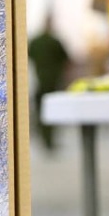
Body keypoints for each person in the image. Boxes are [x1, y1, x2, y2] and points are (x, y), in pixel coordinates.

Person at [28, 17, 71, 150]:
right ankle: (49, 140)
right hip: (53, 81)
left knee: (40, 110)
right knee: (52, 111)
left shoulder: (36, 41)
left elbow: (28, 56)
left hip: (39, 80)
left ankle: (44, 139)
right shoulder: (54, 41)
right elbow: (66, 59)